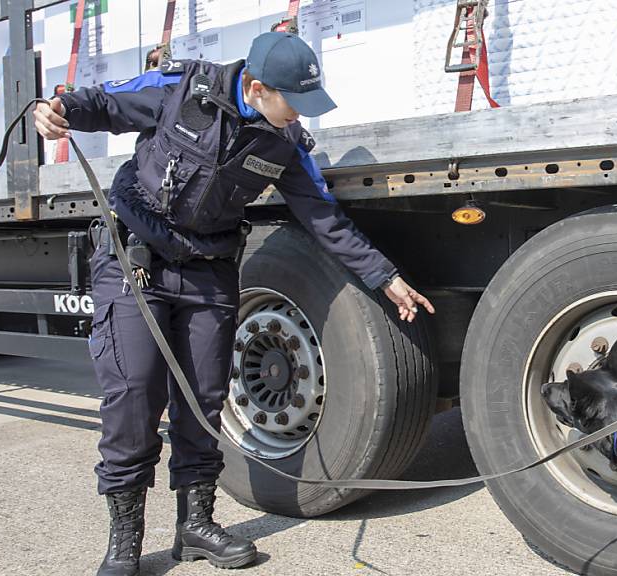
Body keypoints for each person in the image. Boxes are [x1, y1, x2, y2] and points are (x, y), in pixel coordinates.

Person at [32, 31, 435, 575]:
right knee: (134, 397)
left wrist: (384, 277)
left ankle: (195, 526)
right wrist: (57, 109)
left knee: (204, 398)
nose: (298, 118)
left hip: (208, 272)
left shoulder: (284, 143)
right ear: (257, 86)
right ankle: (125, 539)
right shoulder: (183, 89)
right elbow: (105, 103)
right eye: (292, 104)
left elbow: (323, 218)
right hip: (137, 261)